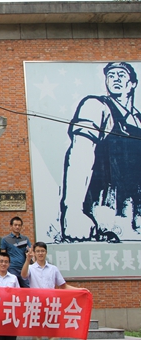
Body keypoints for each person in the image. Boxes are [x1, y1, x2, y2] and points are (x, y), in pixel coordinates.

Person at [61, 62, 141, 242]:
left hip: (134, 220)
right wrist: (72, 210)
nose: (115, 79)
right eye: (111, 75)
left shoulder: (138, 119)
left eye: (121, 75)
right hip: (106, 219)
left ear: (133, 83)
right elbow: (80, 154)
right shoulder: (96, 106)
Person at [21, 242, 86, 340]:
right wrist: (27, 260)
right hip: (36, 306)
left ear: (46, 252)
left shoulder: (53, 269)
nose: (40, 253)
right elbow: (24, 275)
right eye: (38, 251)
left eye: (42, 251)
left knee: (53, 338)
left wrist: (80, 290)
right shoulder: (31, 268)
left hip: (52, 306)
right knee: (36, 338)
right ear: (34, 253)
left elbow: (63, 286)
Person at [0, 216, 31, 288]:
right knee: (13, 288)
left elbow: (30, 251)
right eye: (15, 225)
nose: (17, 227)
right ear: (11, 226)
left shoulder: (25, 239)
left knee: (27, 289)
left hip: (24, 268)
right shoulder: (5, 239)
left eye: (19, 225)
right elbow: (3, 255)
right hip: (11, 268)